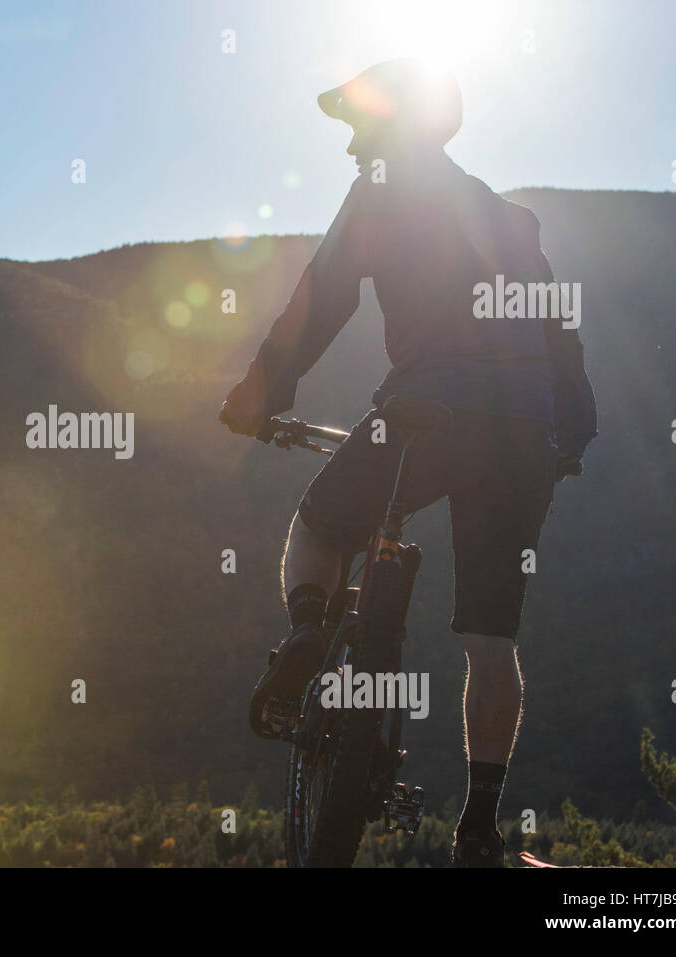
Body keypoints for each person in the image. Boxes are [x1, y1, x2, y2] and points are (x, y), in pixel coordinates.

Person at [219, 59, 597, 867]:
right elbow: (558, 334)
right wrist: (572, 433)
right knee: (492, 639)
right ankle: (479, 830)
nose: (351, 143)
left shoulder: (384, 187)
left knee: (318, 528)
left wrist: (260, 394)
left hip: (430, 407)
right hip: (524, 435)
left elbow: (323, 295)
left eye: (358, 122)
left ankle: (309, 640)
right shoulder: (511, 221)